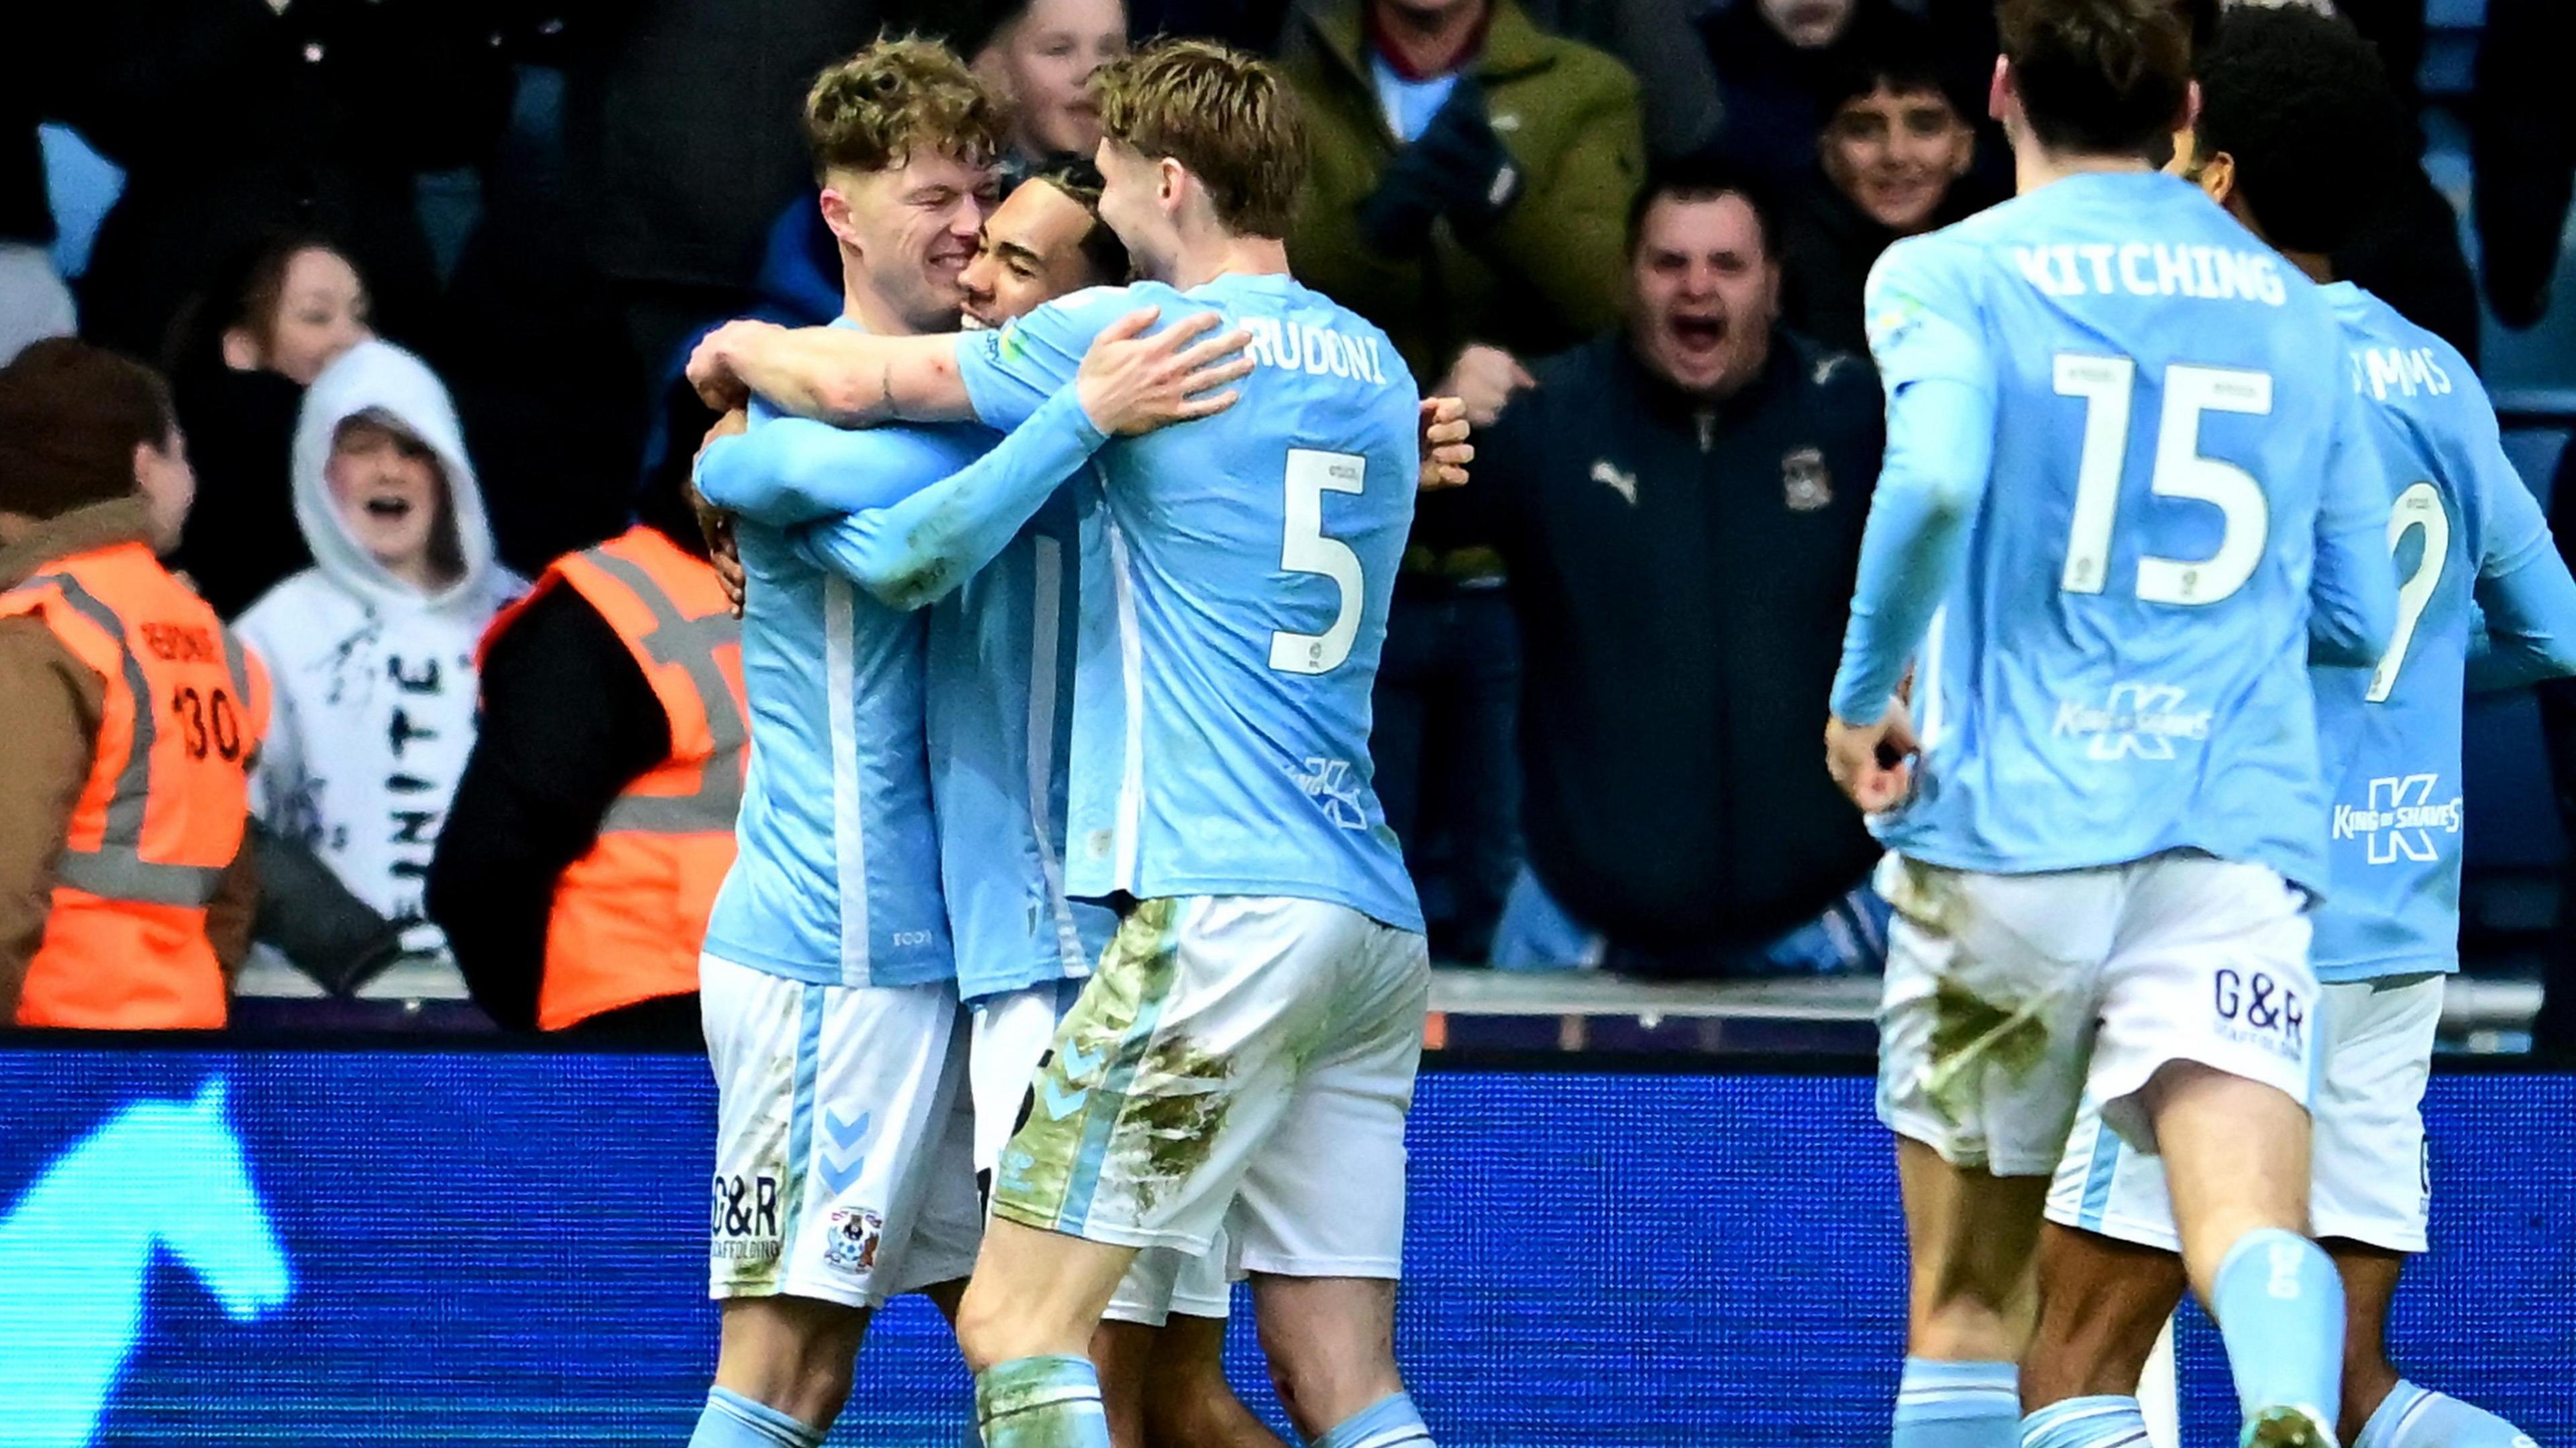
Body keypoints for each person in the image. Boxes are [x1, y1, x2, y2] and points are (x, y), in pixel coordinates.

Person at [687, 39, 1446, 1448]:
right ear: (842, 211)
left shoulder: (1117, 382)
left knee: (1104, 1370)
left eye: (1017, 234)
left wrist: (735, 384)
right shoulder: (1320, 371)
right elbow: (855, 485)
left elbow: (880, 488)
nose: (976, 250)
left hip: (1104, 932)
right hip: (865, 948)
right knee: (861, 1368)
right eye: (951, 204)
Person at [1820, 0, 2400, 1443]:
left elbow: (1939, 480)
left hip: (2008, 830)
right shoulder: (2286, 301)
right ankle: (2283, 1396)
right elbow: (2359, 611)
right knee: (2249, 1217)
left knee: (1968, 1307)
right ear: (2185, 104)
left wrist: (1858, 698)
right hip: (2225, 833)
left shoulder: (1944, 270)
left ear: (2004, 88)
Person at [2018, 13, 2576, 1448]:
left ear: (2212, 168)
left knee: (2075, 1363)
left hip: (2220, 937)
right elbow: (2558, 631)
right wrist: (2417, 670)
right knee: (2348, 1389)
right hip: (2393, 929)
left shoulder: (2186, 376)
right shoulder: (2444, 378)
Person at [1279, 0, 1641, 956]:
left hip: (1518, 563)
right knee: (1336, 894)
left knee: (1517, 888)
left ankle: (1511, 1111)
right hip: (1345, 556)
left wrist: (1501, 203)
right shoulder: (1282, 91)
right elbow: (1257, 296)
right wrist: (1377, 234)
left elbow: (1622, 303)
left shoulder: (1585, 87)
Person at [1466, 159, 1888, 979]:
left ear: (1773, 282)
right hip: (1576, 934)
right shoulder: (1544, 414)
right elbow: (1390, 530)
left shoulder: (1858, 418)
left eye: (1727, 264)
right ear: (1629, 280)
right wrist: (1431, 428)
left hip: (1825, 931)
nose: (1698, 288)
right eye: (1669, 263)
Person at [423, 432, 749, 1044]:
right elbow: (484, 871)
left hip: (795, 1013)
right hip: (643, 1021)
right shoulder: (609, 610)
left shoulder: (820, 594)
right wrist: (554, 1042)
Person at [234, 339, 524, 995]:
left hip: (505, 1009)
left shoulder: (529, 619)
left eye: (413, 447)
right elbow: (233, 832)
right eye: (362, 447)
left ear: (450, 469)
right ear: (318, 468)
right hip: (318, 1002)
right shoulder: (271, 633)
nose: (389, 470)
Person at [0, 338, 266, 1028]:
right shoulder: (211, 641)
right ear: (145, 469)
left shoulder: (41, 628)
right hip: (172, 1058)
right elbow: (231, 893)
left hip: (43, 1056)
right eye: (184, 451)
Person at [164, 233, 376, 619]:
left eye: (360, 316)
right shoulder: (265, 456)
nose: (353, 337)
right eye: (317, 317)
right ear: (241, 347)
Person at [1778, 27, 1993, 357]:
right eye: (1863, 130)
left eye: (1925, 126)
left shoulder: (2002, 246)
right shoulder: (1793, 263)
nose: (1896, 155)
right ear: (1828, 152)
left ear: (1964, 147)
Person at [971, 0, 1132, 173]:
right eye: (1059, 50)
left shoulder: (1150, 189)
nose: (1091, 71)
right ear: (994, 71)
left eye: (1109, 51)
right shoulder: (968, 192)